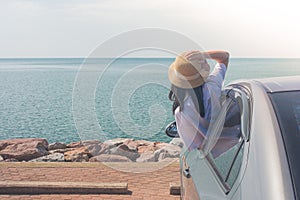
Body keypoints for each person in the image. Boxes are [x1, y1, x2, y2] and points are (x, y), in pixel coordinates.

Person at [168, 50, 230, 151]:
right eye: (205, 62)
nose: (207, 63)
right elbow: (225, 56)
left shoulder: (180, 111)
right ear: (202, 70)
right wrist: (204, 54)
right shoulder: (213, 85)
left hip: (208, 158)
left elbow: (192, 147)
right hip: (228, 147)